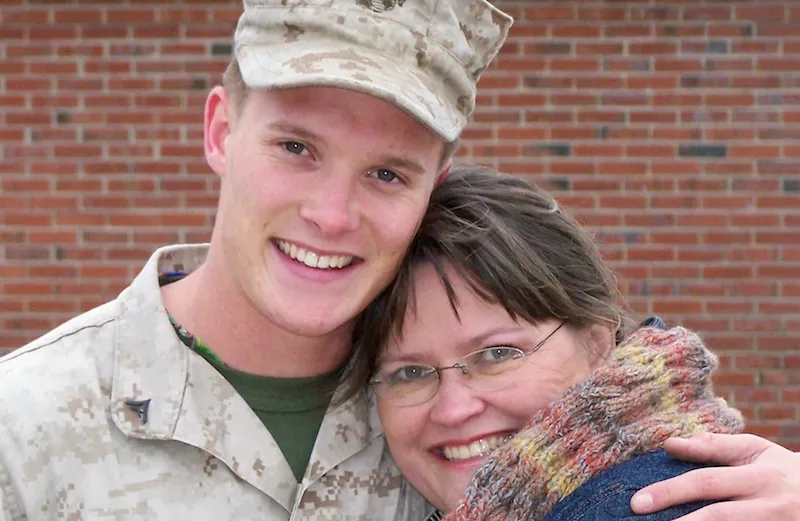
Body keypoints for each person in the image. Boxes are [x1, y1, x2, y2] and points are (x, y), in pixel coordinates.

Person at [0, 0, 797, 520]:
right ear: (219, 131)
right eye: (295, 146)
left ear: (432, 184)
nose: (332, 214)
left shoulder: (473, 427)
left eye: (387, 171)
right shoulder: (23, 427)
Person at [362, 166, 800, 521]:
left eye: (498, 354)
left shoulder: (636, 507)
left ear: (595, 344)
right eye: (410, 372)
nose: (453, 408)